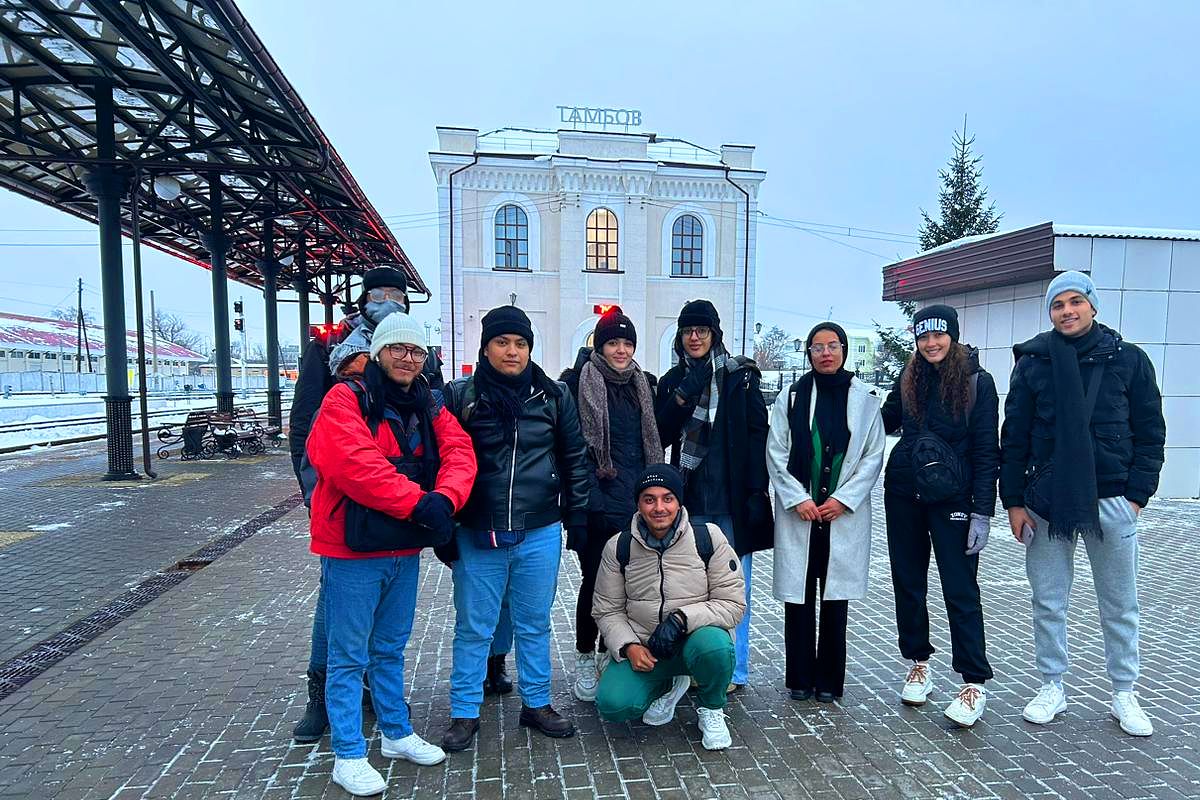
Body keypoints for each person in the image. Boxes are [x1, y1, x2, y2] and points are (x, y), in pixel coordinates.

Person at [304, 312, 477, 795]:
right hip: (352, 548)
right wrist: (420, 503)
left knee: (390, 648)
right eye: (398, 348)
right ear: (378, 351)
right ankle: (348, 752)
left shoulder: (428, 403)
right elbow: (351, 462)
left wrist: (446, 498)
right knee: (347, 655)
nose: (408, 358)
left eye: (417, 351)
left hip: (403, 543)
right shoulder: (346, 398)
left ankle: (396, 733)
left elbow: (460, 450)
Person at [288, 265, 451, 744]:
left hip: (400, 517)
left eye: (397, 294)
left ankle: (388, 718)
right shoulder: (330, 353)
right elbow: (309, 429)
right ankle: (322, 701)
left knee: (387, 636)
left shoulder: (420, 365)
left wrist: (436, 496)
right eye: (379, 293)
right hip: (343, 510)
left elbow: (436, 429)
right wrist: (313, 495)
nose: (388, 301)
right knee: (336, 615)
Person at [1001, 271, 1165, 737]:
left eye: (1076, 301)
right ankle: (1052, 684)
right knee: (1048, 600)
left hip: (1113, 498)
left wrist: (1136, 497)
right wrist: (1013, 501)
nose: (1067, 311)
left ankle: (1124, 691)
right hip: (1047, 501)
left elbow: (1151, 431)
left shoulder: (1129, 361)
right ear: (1049, 312)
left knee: (1120, 602)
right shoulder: (1033, 363)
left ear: (1093, 306)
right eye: (1058, 304)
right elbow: (1013, 437)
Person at [439, 305, 592, 752]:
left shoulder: (554, 396)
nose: (512, 351)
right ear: (486, 348)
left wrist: (577, 516)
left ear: (530, 348)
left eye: (520, 343)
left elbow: (574, 459)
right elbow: (444, 461)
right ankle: (465, 711)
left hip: (538, 529)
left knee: (534, 623)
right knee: (473, 627)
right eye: (502, 342)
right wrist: (444, 525)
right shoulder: (461, 395)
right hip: (477, 530)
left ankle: (537, 702)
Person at [879, 306, 999, 727]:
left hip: (954, 498)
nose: (931, 344)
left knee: (960, 588)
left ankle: (974, 681)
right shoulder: (907, 378)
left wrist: (983, 510)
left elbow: (987, 451)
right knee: (908, 583)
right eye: (923, 337)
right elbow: (882, 420)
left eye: (939, 336)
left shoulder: (976, 383)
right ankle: (918, 662)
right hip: (904, 495)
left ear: (953, 336)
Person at [655, 300, 772, 693]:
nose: (694, 337)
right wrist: (684, 394)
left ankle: (732, 671)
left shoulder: (741, 377)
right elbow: (661, 434)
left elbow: (759, 436)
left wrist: (757, 491)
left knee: (736, 589)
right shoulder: (673, 380)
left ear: (714, 333)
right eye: (688, 330)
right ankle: (693, 665)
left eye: (702, 330)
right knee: (687, 587)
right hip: (689, 502)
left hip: (733, 502)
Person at [766, 322, 885, 705]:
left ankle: (830, 681)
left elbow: (872, 455)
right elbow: (776, 452)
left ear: (845, 350)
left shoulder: (865, 399)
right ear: (809, 354)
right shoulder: (792, 397)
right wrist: (796, 498)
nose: (825, 353)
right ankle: (799, 678)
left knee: (835, 602)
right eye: (817, 347)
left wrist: (844, 499)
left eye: (832, 345)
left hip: (840, 514)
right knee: (798, 599)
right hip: (801, 512)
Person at [592, 464, 745, 750]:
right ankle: (667, 684)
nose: (659, 507)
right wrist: (627, 647)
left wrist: (682, 619)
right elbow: (606, 609)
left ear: (679, 502)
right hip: (647, 646)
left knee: (716, 648)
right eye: (649, 499)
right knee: (613, 705)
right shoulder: (619, 546)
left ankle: (711, 707)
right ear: (638, 503)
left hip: (696, 640)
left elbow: (732, 603)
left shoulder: (708, 538)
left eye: (667, 498)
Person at [558, 307, 662, 702]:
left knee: (630, 585)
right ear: (599, 346)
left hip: (637, 504)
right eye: (612, 342)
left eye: (627, 342)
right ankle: (586, 653)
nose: (621, 350)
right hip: (595, 504)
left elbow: (652, 440)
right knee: (595, 584)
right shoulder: (577, 383)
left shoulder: (642, 385)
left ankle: (610, 650)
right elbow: (571, 452)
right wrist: (582, 508)